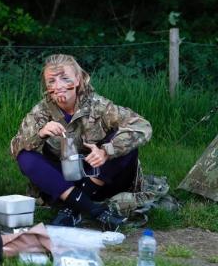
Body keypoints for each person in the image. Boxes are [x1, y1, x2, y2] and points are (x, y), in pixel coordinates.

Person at [11, 54, 152, 230]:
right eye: (52, 81)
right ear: (46, 86)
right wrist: (39, 134)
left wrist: (106, 151)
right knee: (26, 156)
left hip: (100, 179)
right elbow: (14, 148)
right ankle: (94, 210)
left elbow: (142, 126)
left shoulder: (98, 105)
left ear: (78, 79)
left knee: (125, 144)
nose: (59, 86)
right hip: (64, 183)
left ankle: (73, 208)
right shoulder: (41, 111)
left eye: (65, 78)